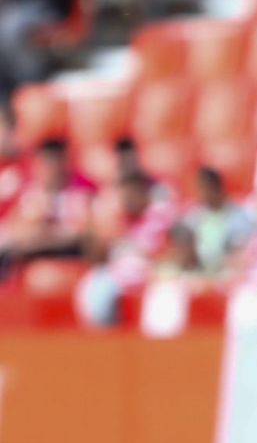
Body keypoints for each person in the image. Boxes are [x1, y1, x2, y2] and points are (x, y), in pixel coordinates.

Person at [77, 170, 178, 325]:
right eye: (125, 194)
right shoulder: (117, 220)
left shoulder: (160, 218)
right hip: (117, 278)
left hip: (152, 275)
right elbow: (98, 254)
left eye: (133, 193)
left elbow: (163, 254)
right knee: (95, 282)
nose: (129, 199)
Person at [0, 135, 93, 274]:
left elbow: (87, 236)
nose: (52, 169)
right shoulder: (25, 196)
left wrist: (46, 234)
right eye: (46, 162)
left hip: (72, 263)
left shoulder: (82, 196)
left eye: (56, 161)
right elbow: (14, 236)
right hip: (29, 267)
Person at [184, 165, 254, 275]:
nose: (200, 194)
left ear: (215, 188)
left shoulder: (239, 216)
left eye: (203, 188)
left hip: (227, 271)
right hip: (199, 270)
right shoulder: (196, 215)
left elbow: (240, 252)